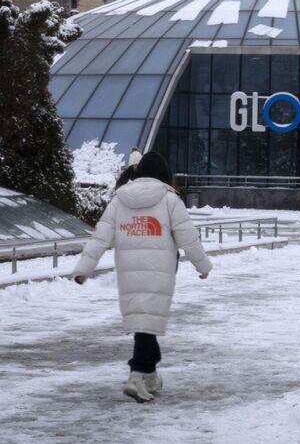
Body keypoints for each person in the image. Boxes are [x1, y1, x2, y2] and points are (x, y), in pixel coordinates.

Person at [73, 151, 212, 403]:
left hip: (129, 270)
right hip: (160, 271)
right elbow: (188, 237)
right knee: (147, 322)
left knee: (144, 322)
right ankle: (137, 375)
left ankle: (150, 374)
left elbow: (100, 236)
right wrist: (202, 265)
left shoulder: (119, 200)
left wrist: (84, 268)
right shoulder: (170, 200)